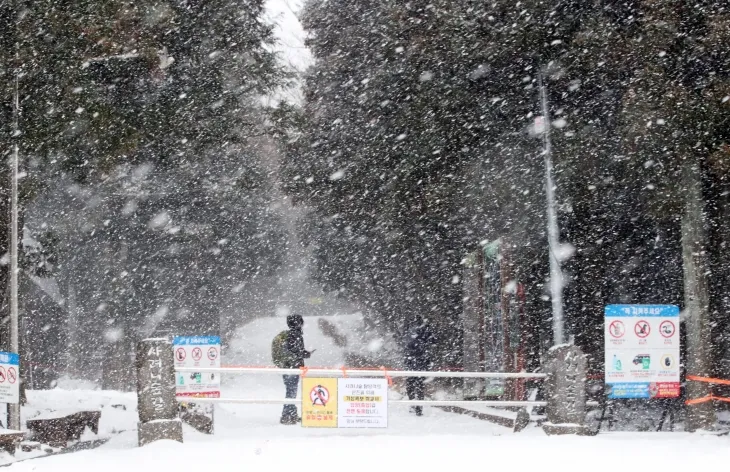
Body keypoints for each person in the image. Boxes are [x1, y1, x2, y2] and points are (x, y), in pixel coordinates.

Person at [272, 314, 312, 425]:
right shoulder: (295, 335)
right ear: (299, 323)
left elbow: (293, 351)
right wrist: (305, 354)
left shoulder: (289, 335)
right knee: (291, 391)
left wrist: (302, 353)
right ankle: (286, 416)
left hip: (286, 366)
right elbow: (295, 352)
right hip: (292, 367)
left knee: (291, 391)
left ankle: (291, 415)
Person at [403, 315, 436, 416]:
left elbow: (407, 345)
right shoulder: (424, 331)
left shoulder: (411, 332)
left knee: (411, 385)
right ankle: (417, 407)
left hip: (413, 362)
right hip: (420, 362)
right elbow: (433, 341)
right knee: (418, 386)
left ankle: (414, 405)